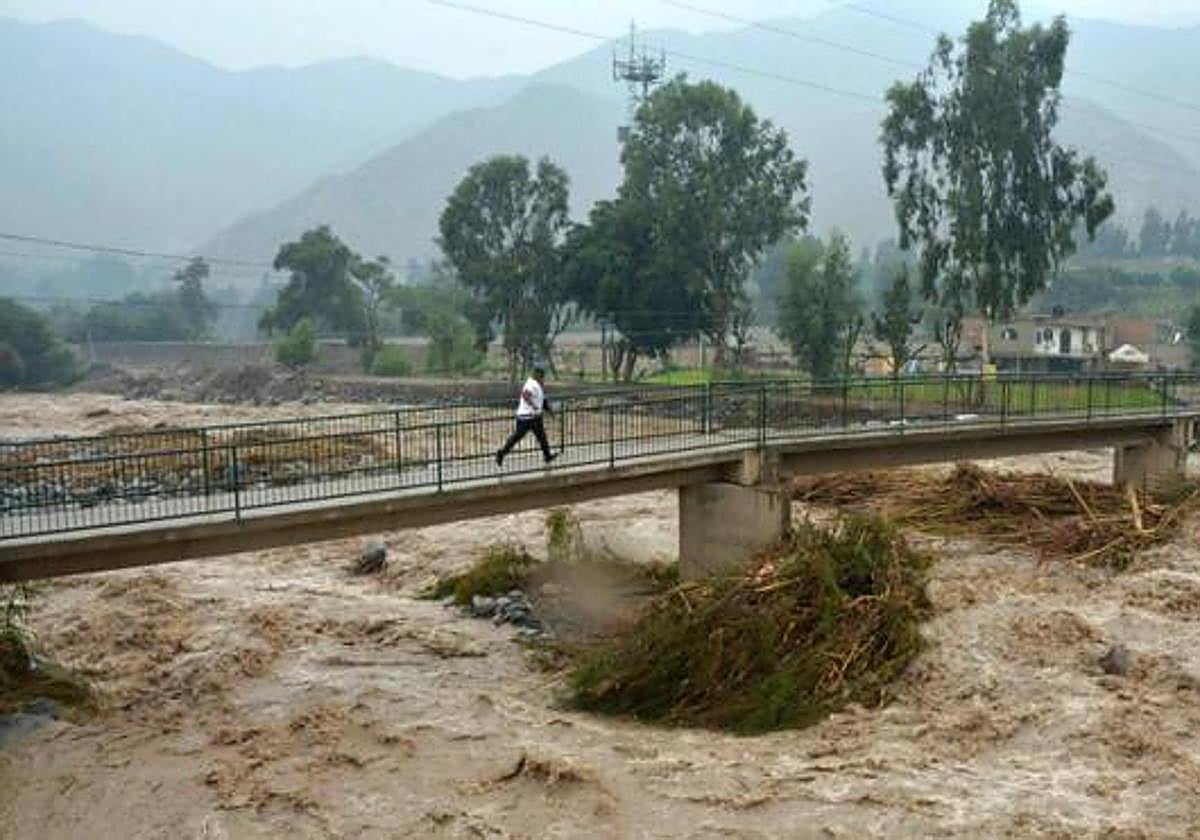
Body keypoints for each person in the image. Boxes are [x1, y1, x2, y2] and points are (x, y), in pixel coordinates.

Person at [496, 364, 557, 466]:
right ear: (536, 374)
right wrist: (534, 406)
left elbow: (542, 400)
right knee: (516, 437)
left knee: (542, 437)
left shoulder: (537, 385)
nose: (543, 377)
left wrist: (549, 411)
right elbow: (525, 395)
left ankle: (547, 456)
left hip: (534, 417)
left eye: (543, 375)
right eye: (541, 375)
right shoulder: (531, 384)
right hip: (526, 417)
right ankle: (501, 453)